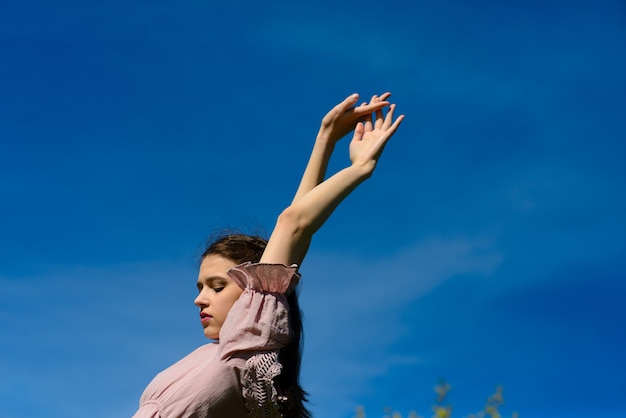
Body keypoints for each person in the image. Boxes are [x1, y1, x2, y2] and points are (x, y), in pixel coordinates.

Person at [132, 92, 404, 418]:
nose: (199, 300)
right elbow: (294, 225)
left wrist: (359, 167)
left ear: (255, 293)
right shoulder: (223, 357)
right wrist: (325, 141)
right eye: (200, 287)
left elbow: (294, 224)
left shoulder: (245, 350)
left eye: (217, 286)